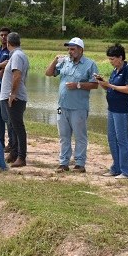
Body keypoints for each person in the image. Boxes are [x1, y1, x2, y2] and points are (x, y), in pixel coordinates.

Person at [46, 37, 98, 173]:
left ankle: (80, 164)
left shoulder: (90, 64)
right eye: (69, 49)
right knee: (63, 136)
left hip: (79, 107)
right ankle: (63, 163)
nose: (70, 51)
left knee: (80, 136)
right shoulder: (64, 62)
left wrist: (78, 85)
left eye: (73, 49)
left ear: (81, 50)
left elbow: (95, 84)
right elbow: (49, 73)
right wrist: (55, 60)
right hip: (62, 107)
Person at [95, 44, 128, 179]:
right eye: (109, 59)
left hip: (121, 110)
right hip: (111, 109)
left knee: (122, 139)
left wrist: (110, 85)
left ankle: (127, 171)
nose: (110, 61)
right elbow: (111, 88)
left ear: (120, 57)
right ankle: (116, 168)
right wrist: (103, 83)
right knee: (112, 138)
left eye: (112, 59)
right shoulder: (115, 70)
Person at [0, 32, 29, 167]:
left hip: (15, 97)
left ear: (8, 43)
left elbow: (16, 75)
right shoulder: (17, 55)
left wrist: (12, 94)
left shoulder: (17, 56)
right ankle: (14, 153)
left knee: (17, 127)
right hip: (12, 96)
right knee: (12, 126)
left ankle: (21, 157)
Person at [0, 27, 12, 151]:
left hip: (6, 89)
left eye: (6, 35)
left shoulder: (12, 53)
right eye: (1, 35)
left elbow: (7, 69)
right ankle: (0, 142)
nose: (4, 37)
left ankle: (12, 143)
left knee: (8, 117)